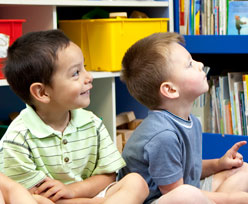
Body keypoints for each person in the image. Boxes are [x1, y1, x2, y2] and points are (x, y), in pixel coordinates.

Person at [0, 29, 149, 204]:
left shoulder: (92, 122)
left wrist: (73, 190)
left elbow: (108, 176)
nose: (89, 77)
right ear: (42, 92)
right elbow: (28, 194)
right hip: (52, 201)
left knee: (136, 183)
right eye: (76, 73)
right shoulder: (18, 137)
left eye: (84, 67)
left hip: (90, 195)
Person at [118, 32, 248, 204]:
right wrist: (228, 198)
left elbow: (188, 171)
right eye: (189, 64)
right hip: (161, 199)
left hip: (187, 191)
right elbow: (177, 192)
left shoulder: (191, 121)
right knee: (187, 195)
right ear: (170, 90)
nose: (200, 64)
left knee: (245, 171)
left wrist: (219, 164)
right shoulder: (162, 136)